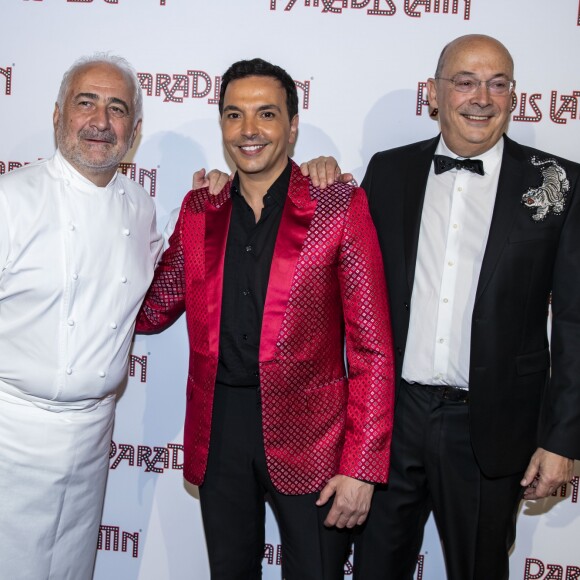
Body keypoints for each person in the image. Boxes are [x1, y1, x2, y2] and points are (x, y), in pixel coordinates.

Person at [303, 34, 580, 580]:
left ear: (513, 95)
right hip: (393, 422)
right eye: (466, 81)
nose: (482, 96)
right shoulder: (388, 171)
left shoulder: (559, 182)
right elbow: (330, 266)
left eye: (498, 84)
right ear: (433, 94)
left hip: (492, 427)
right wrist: (291, 178)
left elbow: (574, 320)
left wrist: (563, 438)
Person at [137, 58, 395, 579]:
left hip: (316, 436)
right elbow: (151, 310)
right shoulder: (199, 209)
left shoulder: (338, 205)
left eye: (266, 114)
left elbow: (372, 348)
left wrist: (361, 465)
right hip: (220, 428)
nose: (248, 131)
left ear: (292, 125)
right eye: (234, 116)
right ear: (222, 126)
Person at [0, 54, 162, 579]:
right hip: (10, 436)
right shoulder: (11, 200)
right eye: (85, 103)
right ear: (56, 115)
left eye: (117, 110)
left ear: (133, 132)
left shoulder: (141, 207)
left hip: (93, 440)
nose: (100, 122)